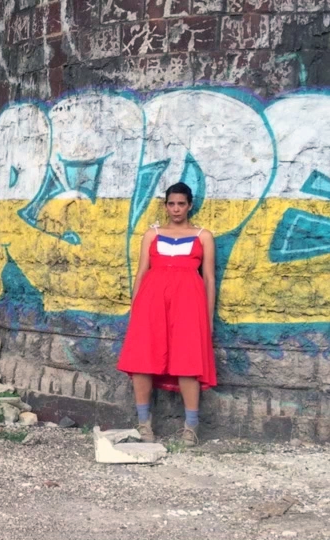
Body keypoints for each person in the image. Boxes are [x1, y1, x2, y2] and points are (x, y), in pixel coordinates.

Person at [117, 181, 217, 447]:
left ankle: (191, 427)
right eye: (171, 203)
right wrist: (135, 308)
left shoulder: (203, 236)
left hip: (189, 303)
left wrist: (208, 319)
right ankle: (143, 424)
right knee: (143, 359)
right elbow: (141, 273)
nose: (176, 209)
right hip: (151, 302)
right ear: (165, 205)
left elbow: (208, 279)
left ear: (190, 205)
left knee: (188, 362)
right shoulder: (152, 235)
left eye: (181, 204)